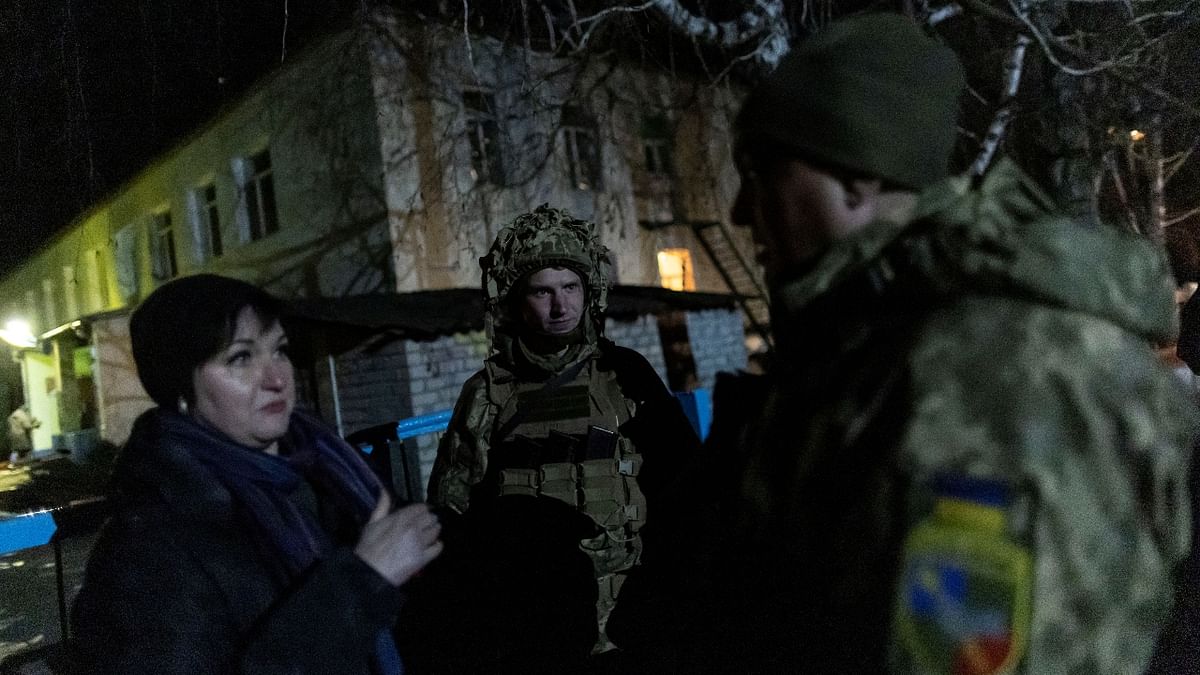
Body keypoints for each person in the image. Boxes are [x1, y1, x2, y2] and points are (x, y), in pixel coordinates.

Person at [623, 13, 1196, 674]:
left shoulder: (993, 368)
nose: (740, 211)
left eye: (764, 173)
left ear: (859, 178)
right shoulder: (877, 345)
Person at [70, 274, 443, 675]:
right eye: (241, 358)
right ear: (181, 386)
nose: (277, 379)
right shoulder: (149, 545)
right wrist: (362, 582)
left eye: (279, 351)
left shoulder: (334, 471)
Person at [423, 205, 699, 663]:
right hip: (540, 624)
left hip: (632, 615)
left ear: (589, 291)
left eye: (571, 287)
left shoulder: (625, 374)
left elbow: (688, 484)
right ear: (515, 301)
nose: (560, 306)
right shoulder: (487, 394)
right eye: (542, 292)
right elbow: (454, 510)